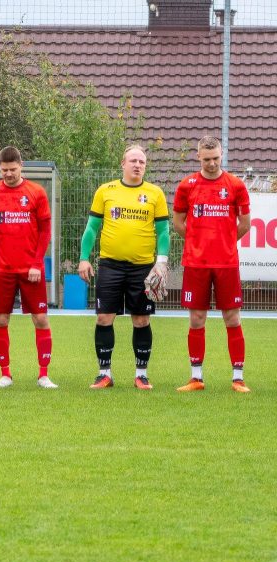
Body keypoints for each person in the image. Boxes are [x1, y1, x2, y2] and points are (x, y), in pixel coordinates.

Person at [78, 144, 170, 390]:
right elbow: (91, 228)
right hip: (110, 266)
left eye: (142, 161)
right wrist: (84, 258)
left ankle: (141, 374)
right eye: (133, 161)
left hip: (142, 268)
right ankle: (104, 373)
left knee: (141, 320)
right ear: (123, 164)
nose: (138, 165)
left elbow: (163, 232)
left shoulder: (155, 194)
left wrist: (161, 263)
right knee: (104, 317)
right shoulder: (105, 191)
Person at [172, 136, 252, 393]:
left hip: (226, 263)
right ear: (198, 157)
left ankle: (237, 378)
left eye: (216, 158)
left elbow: (245, 223)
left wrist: (225, 242)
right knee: (196, 319)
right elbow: (178, 223)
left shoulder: (236, 185)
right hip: (196, 263)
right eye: (207, 159)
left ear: (221, 154)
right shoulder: (187, 185)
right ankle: (196, 378)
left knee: (232, 317)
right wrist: (197, 241)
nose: (212, 163)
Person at [0, 146, 57, 389]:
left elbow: (45, 232)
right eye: (4, 170)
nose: (8, 174)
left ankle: (43, 374)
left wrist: (36, 263)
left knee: (41, 319)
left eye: (12, 169)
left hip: (31, 270)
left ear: (21, 165)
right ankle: (5, 374)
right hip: (1, 269)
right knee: (0, 320)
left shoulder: (36, 192)